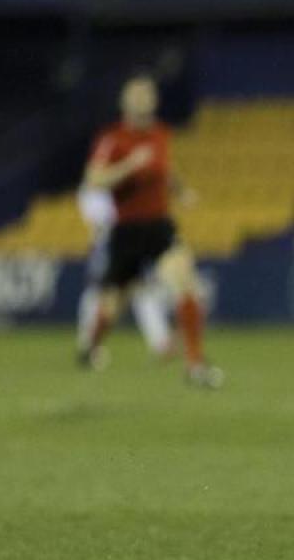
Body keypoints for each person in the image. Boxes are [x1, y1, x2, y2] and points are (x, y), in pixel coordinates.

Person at [77, 74, 222, 388]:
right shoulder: (112, 138)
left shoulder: (160, 133)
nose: (144, 98)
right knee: (113, 305)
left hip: (158, 226)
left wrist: (182, 191)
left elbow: (164, 170)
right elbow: (93, 179)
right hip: (126, 231)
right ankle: (91, 345)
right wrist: (129, 165)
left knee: (185, 282)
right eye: (138, 94)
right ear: (125, 101)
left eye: (148, 93)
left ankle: (194, 365)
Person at [75, 185, 173, 366]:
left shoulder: (123, 181)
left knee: (142, 293)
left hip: (131, 240)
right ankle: (89, 345)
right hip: (109, 245)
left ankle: (161, 343)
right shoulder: (93, 190)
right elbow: (99, 221)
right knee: (98, 293)